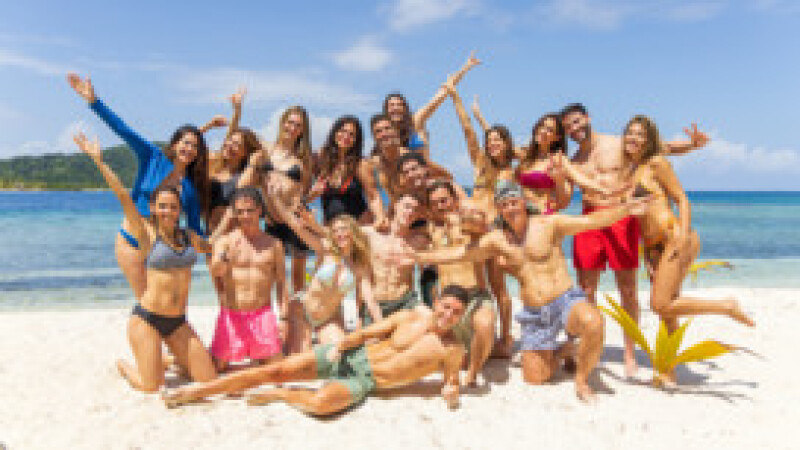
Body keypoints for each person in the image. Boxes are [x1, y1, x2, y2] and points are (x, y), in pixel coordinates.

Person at [401, 181, 652, 401]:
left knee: (593, 322)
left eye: (514, 202)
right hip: (535, 314)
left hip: (564, 300)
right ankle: (564, 350)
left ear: (523, 202)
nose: (510, 208)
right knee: (535, 378)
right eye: (504, 205)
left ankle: (581, 380)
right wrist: (419, 257)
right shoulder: (498, 239)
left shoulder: (549, 223)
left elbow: (590, 221)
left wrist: (626, 209)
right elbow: (461, 253)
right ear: (499, 210)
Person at [162, 285, 471, 416]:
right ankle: (197, 392)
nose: (448, 315)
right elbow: (367, 332)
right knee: (273, 370)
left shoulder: (452, 349)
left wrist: (452, 393)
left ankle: (283, 394)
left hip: (364, 381)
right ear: (436, 301)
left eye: (456, 312)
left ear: (462, 316)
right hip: (350, 355)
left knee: (322, 405)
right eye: (445, 306)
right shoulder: (410, 317)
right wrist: (342, 345)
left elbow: (451, 382)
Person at [561, 102, 708, 377]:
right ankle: (593, 346)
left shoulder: (617, 143)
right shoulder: (573, 161)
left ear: (588, 118)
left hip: (622, 218)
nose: (574, 128)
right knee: (587, 290)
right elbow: (563, 195)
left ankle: (629, 352)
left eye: (577, 121)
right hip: (590, 220)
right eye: (568, 126)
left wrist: (691, 145)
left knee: (628, 289)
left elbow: (660, 147)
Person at [74, 133, 223, 393]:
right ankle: (125, 366)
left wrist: (226, 250)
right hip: (148, 320)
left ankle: (164, 359)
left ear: (180, 210)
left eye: (173, 207)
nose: (168, 212)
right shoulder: (145, 235)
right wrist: (99, 161)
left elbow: (213, 247)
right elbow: (122, 194)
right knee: (151, 387)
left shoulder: (188, 237)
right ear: (153, 207)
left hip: (178, 322)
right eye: (162, 206)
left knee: (209, 380)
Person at [67, 73, 211, 300]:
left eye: (195, 147)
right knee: (145, 300)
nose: (190, 149)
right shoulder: (152, 156)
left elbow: (195, 231)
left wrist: (214, 247)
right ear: (175, 144)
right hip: (131, 240)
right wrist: (94, 102)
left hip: (163, 248)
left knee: (162, 301)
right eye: (186, 143)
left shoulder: (190, 188)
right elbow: (123, 129)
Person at [622, 116, 754, 338]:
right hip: (654, 246)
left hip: (674, 237)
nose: (633, 138)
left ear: (648, 140)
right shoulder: (633, 169)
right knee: (668, 309)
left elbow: (682, 199)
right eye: (630, 132)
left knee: (660, 304)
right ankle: (669, 361)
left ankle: (726, 306)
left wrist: (682, 236)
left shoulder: (656, 163)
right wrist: (647, 253)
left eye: (640, 134)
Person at [268, 187, 380, 353]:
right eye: (335, 231)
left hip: (329, 318)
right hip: (303, 312)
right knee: (301, 360)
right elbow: (294, 226)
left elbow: (370, 301)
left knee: (339, 355)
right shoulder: (324, 249)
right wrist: (276, 200)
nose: (340, 234)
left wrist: (381, 327)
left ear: (353, 232)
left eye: (344, 229)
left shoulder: (359, 265)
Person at [425, 179, 496, 385]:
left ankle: (473, 372)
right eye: (435, 203)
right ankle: (471, 354)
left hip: (475, 297)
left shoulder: (469, 224)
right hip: (447, 302)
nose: (440, 206)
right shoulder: (432, 229)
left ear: (455, 200)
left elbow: (485, 224)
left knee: (485, 324)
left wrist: (460, 211)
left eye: (444, 200)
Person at [209, 188, 287, 371]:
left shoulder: (274, 244)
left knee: (277, 369)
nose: (245, 216)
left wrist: (284, 318)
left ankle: (256, 356)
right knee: (217, 367)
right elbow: (216, 270)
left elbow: (282, 283)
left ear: (259, 210)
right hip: (232, 315)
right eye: (240, 211)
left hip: (262, 315)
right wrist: (225, 257)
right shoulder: (225, 242)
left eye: (250, 210)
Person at [239, 106, 313, 295]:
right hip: (272, 220)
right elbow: (238, 135)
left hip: (296, 220)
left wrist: (310, 198)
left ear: (303, 130)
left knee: (298, 277)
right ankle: (275, 311)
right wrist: (237, 111)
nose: (293, 128)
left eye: (298, 125)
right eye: (290, 122)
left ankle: (298, 311)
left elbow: (304, 191)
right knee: (271, 274)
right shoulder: (265, 149)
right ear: (282, 123)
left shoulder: (304, 159)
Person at [381, 51, 481, 161]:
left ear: (405, 109)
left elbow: (442, 93)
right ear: (386, 110)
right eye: (391, 105)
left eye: (399, 105)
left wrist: (465, 68)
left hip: (425, 169)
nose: (395, 108)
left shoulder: (415, 121)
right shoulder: (383, 133)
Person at [359, 192, 430, 325]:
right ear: (395, 206)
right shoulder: (370, 234)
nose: (410, 212)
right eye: (407, 206)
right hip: (375, 304)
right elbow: (335, 235)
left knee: (430, 319)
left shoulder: (420, 240)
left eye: (415, 210)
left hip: (405, 302)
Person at [308, 116, 386, 226]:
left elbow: (373, 196)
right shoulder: (320, 160)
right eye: (343, 131)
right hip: (331, 229)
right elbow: (303, 193)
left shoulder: (360, 164)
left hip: (359, 226)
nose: (346, 136)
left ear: (356, 140)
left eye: (351, 134)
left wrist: (380, 218)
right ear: (334, 132)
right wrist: (311, 195)